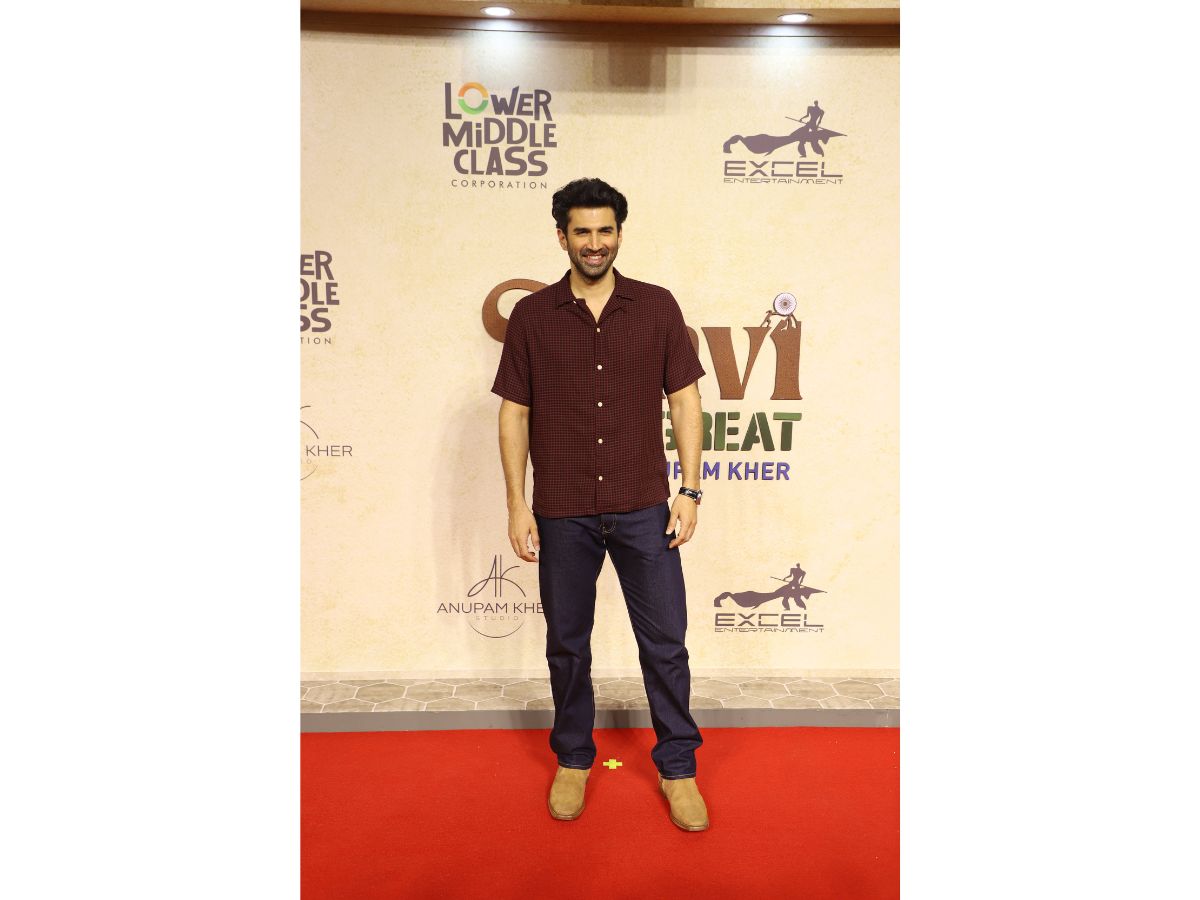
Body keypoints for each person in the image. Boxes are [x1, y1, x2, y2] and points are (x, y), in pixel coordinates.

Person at [491, 177, 710, 832]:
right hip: (562, 508)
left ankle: (679, 768)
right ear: (562, 237)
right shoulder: (533, 317)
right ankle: (573, 759)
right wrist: (516, 504)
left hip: (643, 505)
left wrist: (690, 489)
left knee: (665, 642)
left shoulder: (656, 306)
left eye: (605, 230)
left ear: (619, 233)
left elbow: (686, 401)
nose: (595, 243)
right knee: (567, 644)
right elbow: (514, 413)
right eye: (582, 231)